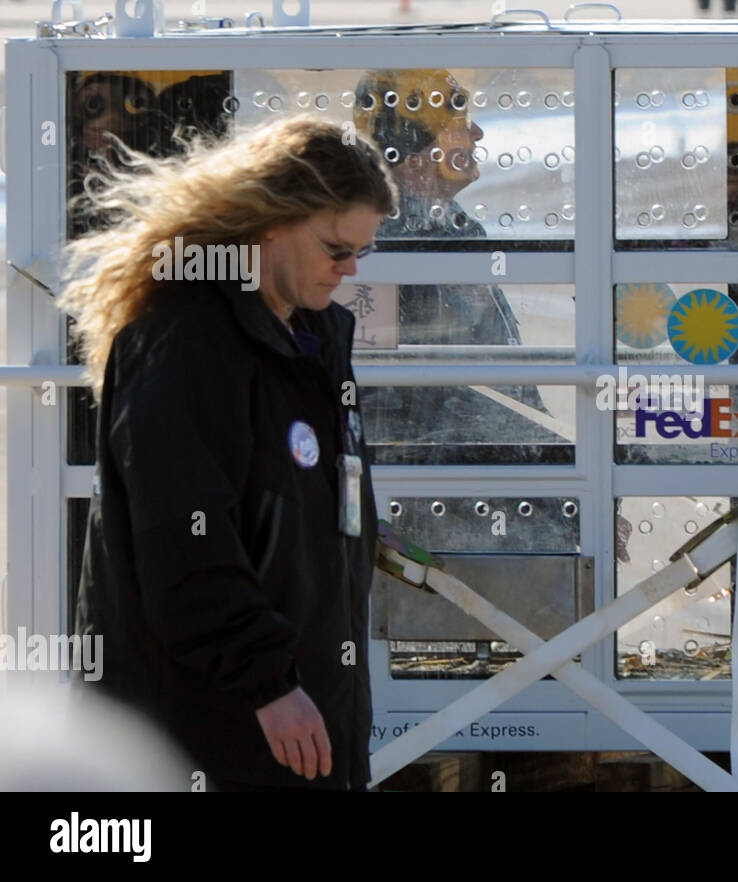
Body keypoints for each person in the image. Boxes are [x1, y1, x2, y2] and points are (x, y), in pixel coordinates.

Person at [60, 116, 397, 791]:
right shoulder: (186, 342)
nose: (351, 269)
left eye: (361, 251)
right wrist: (268, 683)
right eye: (336, 248)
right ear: (271, 222)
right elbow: (184, 540)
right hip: (203, 730)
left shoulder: (314, 337)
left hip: (306, 709)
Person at [352, 69, 558, 465]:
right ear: (415, 150)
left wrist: (551, 456)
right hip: (442, 479)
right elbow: (378, 400)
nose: (477, 133)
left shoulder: (454, 225)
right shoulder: (375, 244)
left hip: (491, 463)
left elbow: (502, 372)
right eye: (460, 125)